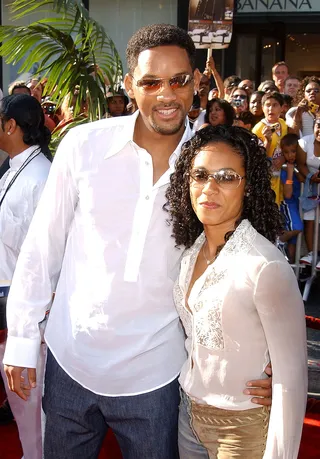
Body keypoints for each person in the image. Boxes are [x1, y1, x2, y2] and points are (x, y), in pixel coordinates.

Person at [3, 24, 272, 459]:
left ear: (196, 83)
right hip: (72, 360)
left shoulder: (207, 167)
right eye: (150, 81)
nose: (166, 94)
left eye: (179, 80)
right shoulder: (84, 145)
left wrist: (270, 350)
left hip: (157, 374)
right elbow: (43, 245)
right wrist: (21, 337)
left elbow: (244, 259)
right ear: (130, 85)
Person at [166, 124, 307, 459]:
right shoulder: (189, 254)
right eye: (200, 175)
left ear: (248, 187)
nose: (209, 188)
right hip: (188, 416)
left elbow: (292, 379)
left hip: (243, 428)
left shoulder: (265, 265)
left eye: (226, 177)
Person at [0, 94, 52, 459]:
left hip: (27, 309)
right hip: (10, 301)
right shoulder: (16, 166)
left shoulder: (40, 175)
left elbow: (47, 257)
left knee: (30, 401)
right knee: (21, 403)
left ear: (11, 126)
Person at [252, 91, 287, 205]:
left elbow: (289, 146)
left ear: (282, 108)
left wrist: (284, 157)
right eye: (267, 105)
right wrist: (268, 141)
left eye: (275, 105)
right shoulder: (258, 129)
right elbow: (259, 157)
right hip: (265, 179)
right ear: (262, 108)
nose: (270, 108)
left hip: (280, 177)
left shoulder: (283, 124)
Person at [296, 115, 320, 268]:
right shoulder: (304, 141)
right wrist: (311, 176)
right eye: (319, 125)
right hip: (310, 184)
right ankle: (312, 253)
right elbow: (301, 164)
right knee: (310, 218)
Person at [279, 134, 304, 263]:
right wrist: (289, 174)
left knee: (293, 240)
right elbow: (287, 195)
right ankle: (278, 240)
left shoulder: (299, 167)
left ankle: (290, 266)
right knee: (297, 228)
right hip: (288, 204)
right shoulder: (285, 170)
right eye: (286, 152)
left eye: (293, 151)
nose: (290, 155)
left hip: (297, 203)